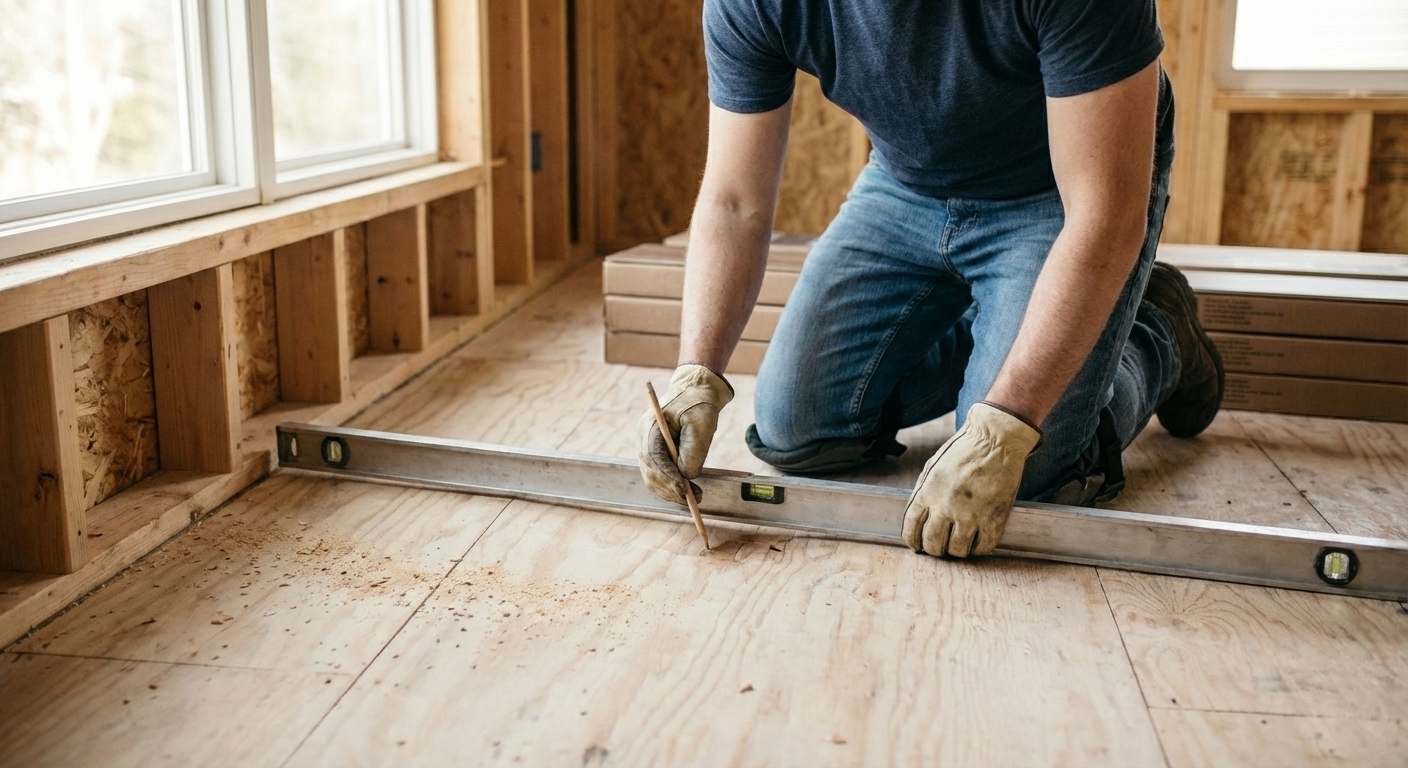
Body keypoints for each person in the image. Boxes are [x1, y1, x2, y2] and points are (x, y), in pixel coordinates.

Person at [636, 0, 1225, 558]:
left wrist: (1004, 428)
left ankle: (1155, 332)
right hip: (906, 183)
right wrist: (696, 373)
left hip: (1058, 190)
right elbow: (734, 202)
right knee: (795, 429)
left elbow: (1106, 214)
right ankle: (1013, 318)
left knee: (1030, 472)